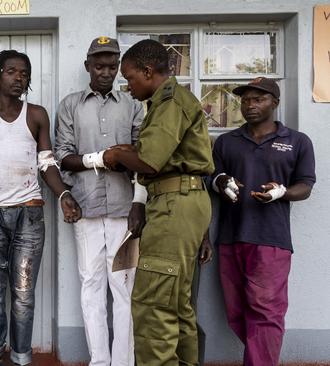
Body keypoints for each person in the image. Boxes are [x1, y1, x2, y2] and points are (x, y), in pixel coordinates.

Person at [0, 50, 82, 366]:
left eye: (24, 73)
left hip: (29, 214)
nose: (19, 78)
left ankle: (21, 357)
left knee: (24, 294)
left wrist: (63, 195)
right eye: (11, 71)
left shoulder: (37, 115)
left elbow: (46, 164)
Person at [108, 39, 215, 365]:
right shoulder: (163, 102)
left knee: (153, 303)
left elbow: (150, 160)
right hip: (180, 201)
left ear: (148, 70)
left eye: (129, 78)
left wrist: (115, 154)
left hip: (174, 204)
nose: (127, 87)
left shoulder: (169, 101)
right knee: (177, 303)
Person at [54, 36, 145, 366]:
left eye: (112, 65)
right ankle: (99, 361)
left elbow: (143, 155)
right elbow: (63, 157)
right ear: (87, 66)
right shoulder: (70, 105)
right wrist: (101, 158)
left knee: (123, 288)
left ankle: (123, 362)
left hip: (124, 212)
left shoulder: (132, 105)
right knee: (91, 286)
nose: (106, 72)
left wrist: (139, 202)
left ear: (119, 66)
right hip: (86, 210)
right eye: (99, 65)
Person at [212, 78, 315, 366]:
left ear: (275, 103)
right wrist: (221, 182)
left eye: (259, 99)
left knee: (266, 311)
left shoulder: (296, 141)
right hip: (230, 237)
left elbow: (305, 185)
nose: (250, 105)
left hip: (271, 240)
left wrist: (282, 192)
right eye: (245, 100)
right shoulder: (226, 142)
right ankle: (261, 357)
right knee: (236, 312)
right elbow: (213, 178)